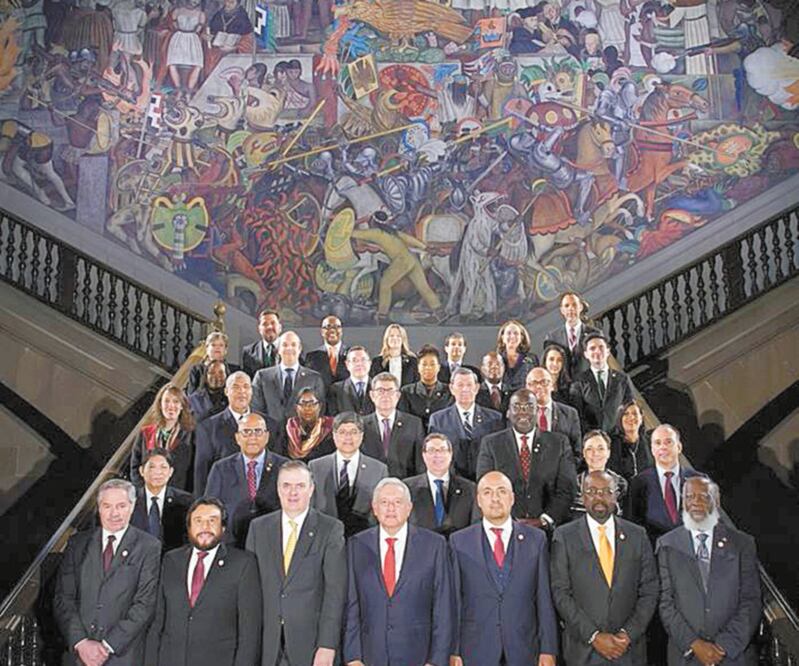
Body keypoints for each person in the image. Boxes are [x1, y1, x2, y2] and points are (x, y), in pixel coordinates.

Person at [450, 471, 558, 666]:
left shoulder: (536, 540)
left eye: (501, 491)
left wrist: (548, 648)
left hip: (525, 649)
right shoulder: (459, 542)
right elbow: (455, 601)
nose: (495, 498)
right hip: (475, 650)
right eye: (487, 492)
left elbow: (544, 599)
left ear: (512, 498)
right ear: (478, 500)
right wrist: (454, 650)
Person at [550, 471, 659, 664]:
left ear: (616, 496)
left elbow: (649, 590)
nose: (599, 497)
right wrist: (593, 636)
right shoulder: (564, 536)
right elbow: (561, 593)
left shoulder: (637, 535)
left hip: (628, 651)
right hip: (583, 652)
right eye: (592, 491)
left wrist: (627, 634)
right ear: (583, 497)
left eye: (606, 491)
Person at [343, 478, 455, 666]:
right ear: (374, 508)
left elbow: (443, 607)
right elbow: (351, 605)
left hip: (418, 656)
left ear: (409, 508)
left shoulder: (434, 545)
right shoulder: (356, 545)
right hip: (370, 657)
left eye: (397, 502)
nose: (390, 508)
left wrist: (436, 661)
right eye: (384, 502)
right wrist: (353, 657)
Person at [246, 461, 347, 666]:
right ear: (278, 489)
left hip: (310, 645)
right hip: (267, 645)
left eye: (300, 486)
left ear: (311, 489)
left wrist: (327, 645)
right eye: (286, 485)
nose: (293, 492)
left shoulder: (330, 529)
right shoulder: (258, 528)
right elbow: (249, 589)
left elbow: (335, 593)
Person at [54, 479, 160, 666]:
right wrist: (81, 642)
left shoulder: (148, 546)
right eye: (107, 506)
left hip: (122, 656)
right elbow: (64, 597)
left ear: (132, 506)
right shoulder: (78, 543)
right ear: (99, 508)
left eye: (121, 506)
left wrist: (107, 646)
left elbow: (145, 604)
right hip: (79, 656)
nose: (114, 513)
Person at [657, 477, 761, 665]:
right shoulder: (667, 545)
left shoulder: (742, 544)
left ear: (717, 501)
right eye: (690, 497)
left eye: (704, 496)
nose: (696, 502)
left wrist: (724, 646)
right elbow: (666, 603)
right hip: (686, 656)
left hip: (733, 657)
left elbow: (750, 601)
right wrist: (695, 644)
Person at [145, 497, 262, 665]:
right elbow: (157, 621)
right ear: (189, 527)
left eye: (212, 521)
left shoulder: (243, 564)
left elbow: (249, 632)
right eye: (198, 521)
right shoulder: (171, 560)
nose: (205, 527)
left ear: (223, 527)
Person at [476, 389, 578, 529]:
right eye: (517, 407)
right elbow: (485, 488)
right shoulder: (491, 444)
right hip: (504, 527)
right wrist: (508, 521)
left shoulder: (559, 443)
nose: (523, 412)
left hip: (548, 529)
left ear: (538, 411)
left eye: (529, 407)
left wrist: (544, 520)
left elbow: (567, 489)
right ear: (508, 412)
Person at [205, 413, 288, 547]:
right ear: (237, 438)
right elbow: (210, 510)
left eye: (258, 431)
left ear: (267, 436)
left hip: (273, 542)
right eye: (246, 432)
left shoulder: (285, 467)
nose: (252, 437)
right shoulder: (221, 468)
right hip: (232, 544)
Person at [193, 371, 281, 494]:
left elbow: (277, 466)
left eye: (246, 387)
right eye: (236, 387)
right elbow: (201, 474)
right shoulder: (208, 428)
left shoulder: (270, 425)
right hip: (225, 499)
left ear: (252, 391)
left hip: (265, 499)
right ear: (226, 391)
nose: (242, 392)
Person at [310, 412, 388, 538]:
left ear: (361, 435)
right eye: (342, 432)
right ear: (334, 435)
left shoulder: (379, 470)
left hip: (365, 538)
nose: (348, 437)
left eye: (353, 432)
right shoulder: (316, 467)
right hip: (324, 537)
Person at [627, 424, 703, 543]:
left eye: (668, 442)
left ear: (679, 447)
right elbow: (633, 528)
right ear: (652, 450)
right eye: (658, 443)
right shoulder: (639, 483)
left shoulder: (699, 480)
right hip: (655, 550)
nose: (663, 447)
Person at [428, 368, 503, 481]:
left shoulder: (494, 418)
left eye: (469, 385)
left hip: (485, 481)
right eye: (460, 385)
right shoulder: (438, 420)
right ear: (451, 388)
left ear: (476, 388)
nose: (465, 389)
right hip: (452, 482)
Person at [404, 434, 479, 538]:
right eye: (432, 450)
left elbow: (475, 526)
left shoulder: (470, 488)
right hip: (420, 544)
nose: (437, 455)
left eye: (442, 450)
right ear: (424, 455)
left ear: (450, 454)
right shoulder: (407, 488)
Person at [130, 383, 195, 493]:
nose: (171, 406)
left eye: (176, 401)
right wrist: (144, 491)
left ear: (182, 406)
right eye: (167, 401)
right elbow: (135, 467)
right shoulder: (146, 433)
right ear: (160, 405)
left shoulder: (191, 436)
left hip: (176, 496)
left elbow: (193, 472)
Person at [251, 331, 326, 424]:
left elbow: (319, 411)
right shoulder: (262, 377)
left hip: (302, 431)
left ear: (299, 349)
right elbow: (256, 409)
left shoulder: (314, 378)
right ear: (278, 349)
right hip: (270, 431)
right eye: (285, 345)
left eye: (293, 345)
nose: (289, 348)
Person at [361, 372, 425, 478]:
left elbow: (420, 463)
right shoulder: (361, 424)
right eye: (380, 391)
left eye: (390, 391)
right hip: (369, 483)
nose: (385, 395)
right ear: (372, 395)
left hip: (404, 483)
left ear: (398, 396)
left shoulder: (414, 424)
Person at [569, 332, 635, 433]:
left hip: (619, 437)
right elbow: (577, 415)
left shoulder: (622, 379)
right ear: (586, 354)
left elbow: (631, 409)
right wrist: (593, 435)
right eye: (592, 348)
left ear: (608, 351)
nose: (597, 351)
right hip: (593, 438)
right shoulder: (578, 382)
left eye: (601, 347)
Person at [131, 448, 192, 551]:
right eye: (152, 467)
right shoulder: (130, 500)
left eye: (163, 467)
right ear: (141, 471)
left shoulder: (186, 502)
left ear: (171, 472)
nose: (158, 472)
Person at [525, 367, 582, 464]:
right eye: (533, 383)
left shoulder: (570, 414)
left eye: (544, 382)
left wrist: (565, 469)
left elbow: (577, 451)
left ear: (552, 385)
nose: (539, 386)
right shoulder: (519, 415)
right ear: (527, 387)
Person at [544, 292, 603, 379]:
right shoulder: (552, 338)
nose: (571, 309)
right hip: (564, 385)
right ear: (562, 310)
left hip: (589, 384)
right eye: (567, 306)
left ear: (580, 307)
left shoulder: (595, 334)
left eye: (574, 305)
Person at [571, 431, 629, 518]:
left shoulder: (620, 484)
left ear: (608, 453)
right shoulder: (573, 484)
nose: (595, 453)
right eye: (589, 449)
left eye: (601, 448)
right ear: (584, 453)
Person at [398, 344, 453, 429]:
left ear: (439, 367)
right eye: (424, 364)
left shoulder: (449, 392)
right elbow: (404, 419)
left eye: (432, 364)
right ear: (418, 367)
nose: (428, 368)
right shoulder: (406, 391)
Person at [273, 388, 335, 462]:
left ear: (319, 406)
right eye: (303, 404)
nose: (307, 408)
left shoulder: (329, 428)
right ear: (296, 407)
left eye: (312, 404)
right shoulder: (286, 428)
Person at [608, 400, 654, 482]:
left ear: (641, 418)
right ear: (620, 419)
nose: (631, 417)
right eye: (626, 414)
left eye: (635, 413)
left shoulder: (651, 442)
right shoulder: (610, 444)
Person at [304, 315, 350, 388]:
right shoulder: (312, 357)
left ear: (341, 330)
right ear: (322, 331)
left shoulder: (352, 354)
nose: (332, 330)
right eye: (328, 327)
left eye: (336, 327)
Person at [328, 346, 375, 416]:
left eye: (363, 360)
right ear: (347, 364)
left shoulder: (378, 388)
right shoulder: (336, 389)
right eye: (354, 360)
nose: (359, 364)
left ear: (370, 363)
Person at [369, 323, 419, 387]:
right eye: (391, 336)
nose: (395, 338)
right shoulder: (377, 362)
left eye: (398, 336)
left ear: (403, 339)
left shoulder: (412, 361)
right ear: (386, 339)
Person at [496, 320, 539, 391]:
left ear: (521, 338)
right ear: (502, 337)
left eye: (516, 333)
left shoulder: (531, 359)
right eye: (509, 333)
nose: (512, 336)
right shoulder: (496, 360)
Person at [241, 309, 282, 378]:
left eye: (273, 323)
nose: (269, 327)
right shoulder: (248, 352)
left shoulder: (293, 350)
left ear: (280, 327)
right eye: (265, 324)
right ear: (259, 329)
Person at [476, 351, 512, 418]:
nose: (494, 367)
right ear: (482, 369)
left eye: (498, 364)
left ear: (504, 368)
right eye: (490, 364)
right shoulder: (475, 393)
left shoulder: (513, 391)